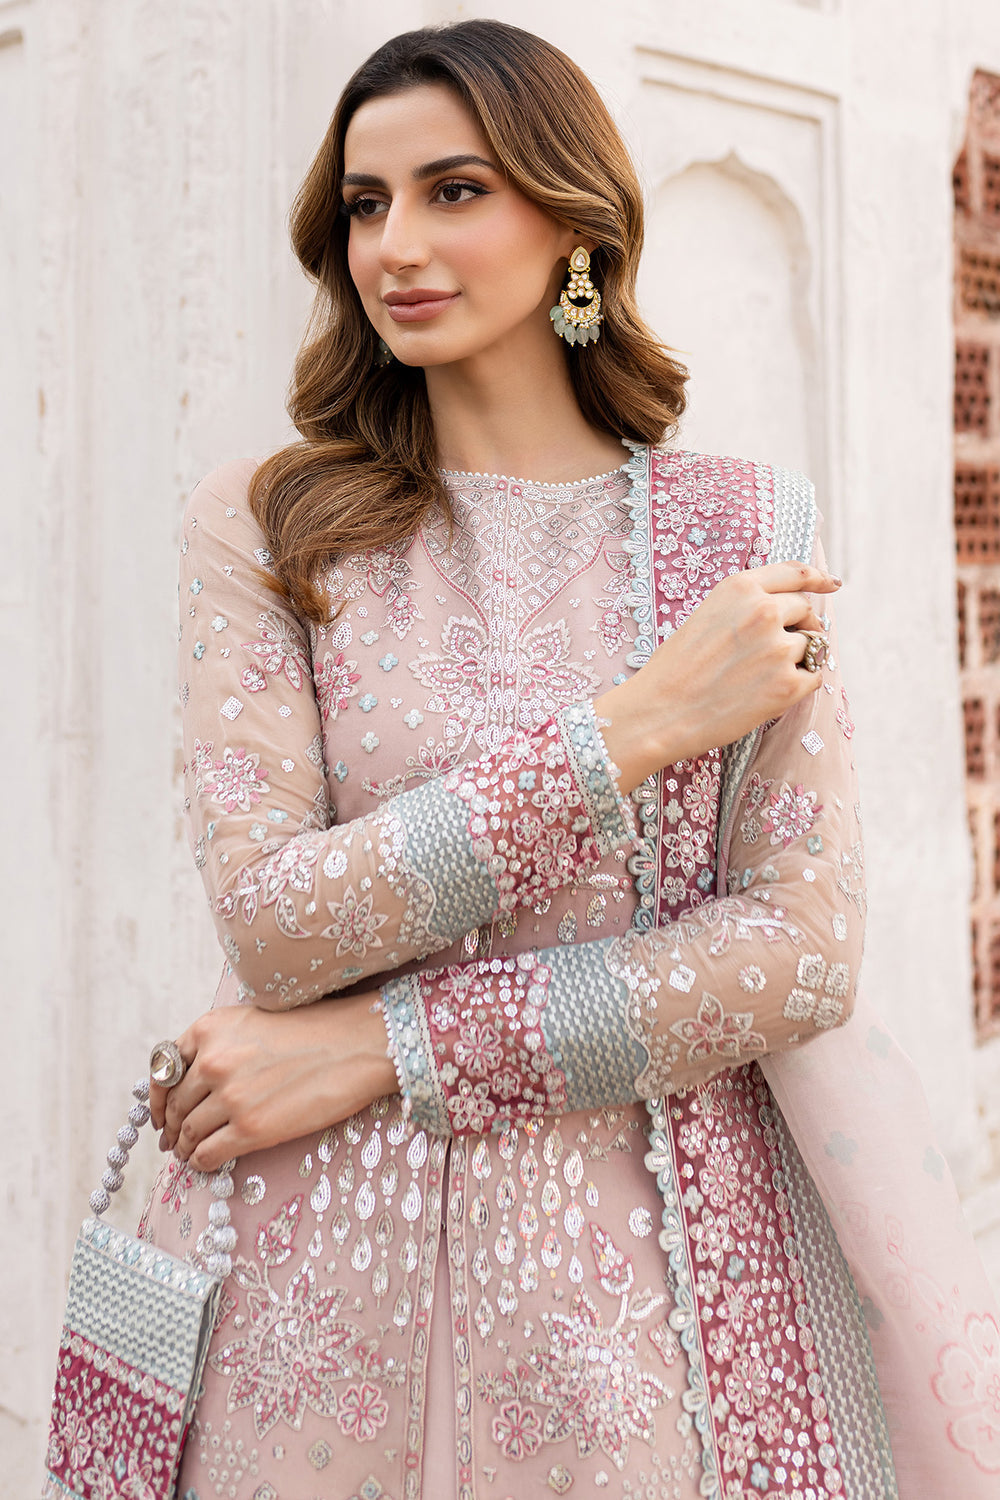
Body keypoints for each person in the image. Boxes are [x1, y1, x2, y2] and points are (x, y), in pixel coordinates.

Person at [127, 20, 997, 1500]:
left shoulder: (739, 533)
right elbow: (272, 923)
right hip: (318, 1284)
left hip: (640, 1298)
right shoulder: (269, 523)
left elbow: (799, 955)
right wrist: (633, 729)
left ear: (574, 220)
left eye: (455, 190)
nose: (397, 244)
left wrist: (378, 1049)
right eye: (366, 203)